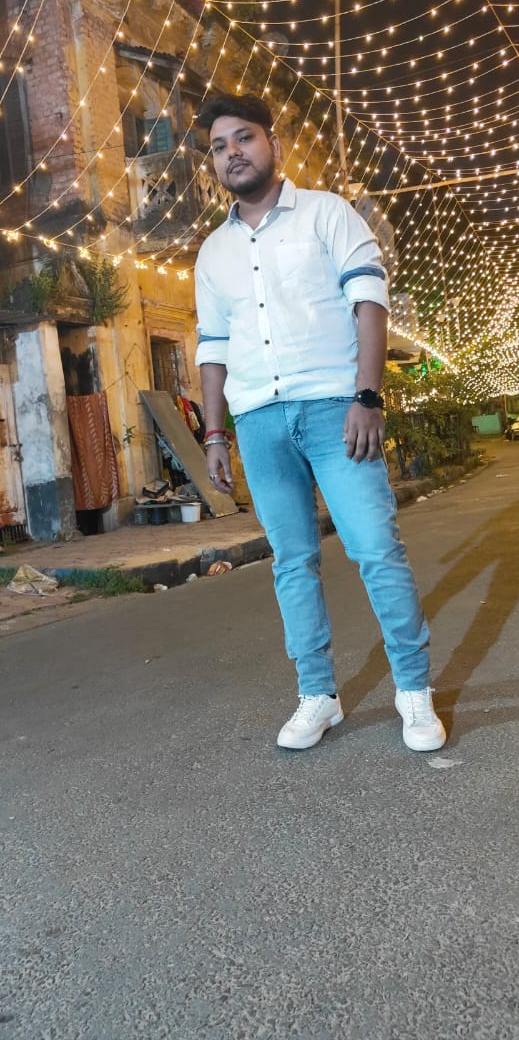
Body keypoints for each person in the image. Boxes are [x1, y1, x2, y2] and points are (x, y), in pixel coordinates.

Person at [194, 92, 446, 754]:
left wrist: (368, 396)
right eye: (219, 146)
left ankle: (413, 690)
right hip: (258, 422)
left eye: (244, 138)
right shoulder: (213, 253)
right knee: (293, 562)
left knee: (376, 548)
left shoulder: (328, 214)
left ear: (272, 143)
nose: (232, 153)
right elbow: (213, 348)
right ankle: (318, 695)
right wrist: (214, 434)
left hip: (338, 412)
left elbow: (369, 301)